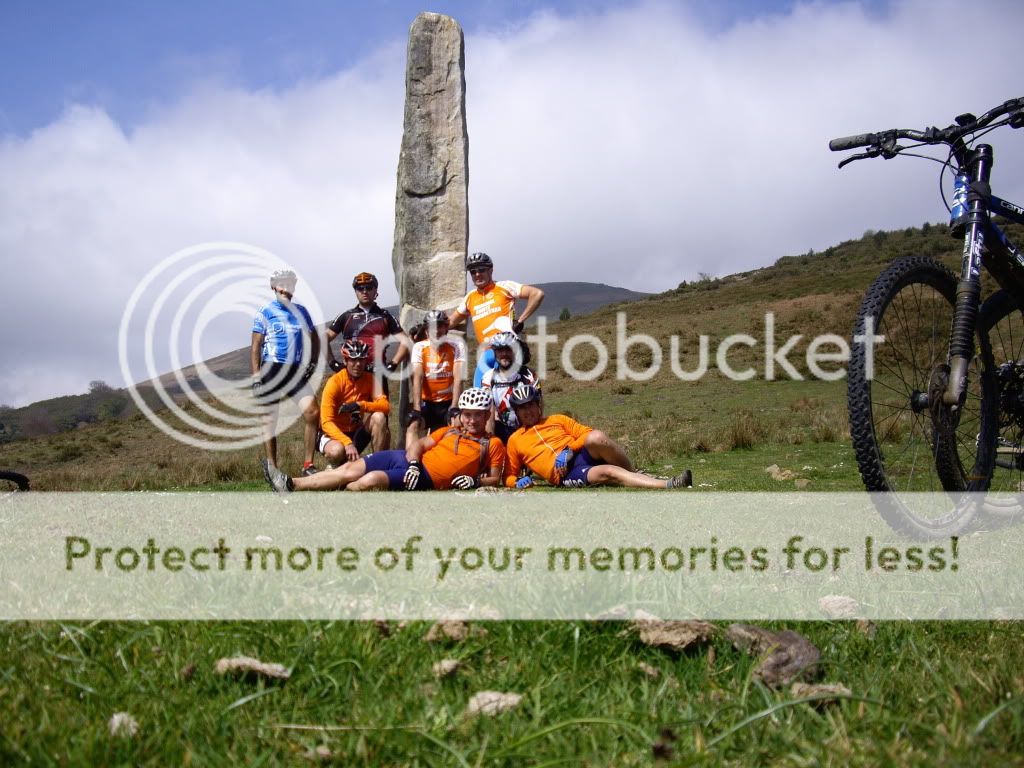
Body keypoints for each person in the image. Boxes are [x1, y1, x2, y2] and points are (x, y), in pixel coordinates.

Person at [262, 388, 506, 493]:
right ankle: (290, 483)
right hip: (407, 462)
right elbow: (419, 445)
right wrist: (412, 462)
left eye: (477, 415)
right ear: (461, 415)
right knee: (350, 468)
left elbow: (496, 477)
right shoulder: (449, 431)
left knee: (369, 480)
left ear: (486, 415)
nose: (472, 420)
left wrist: (475, 480)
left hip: (426, 478)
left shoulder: (492, 444)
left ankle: (335, 487)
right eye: (467, 415)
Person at [503, 383, 693, 490]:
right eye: (522, 408)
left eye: (530, 405)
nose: (527, 411)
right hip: (565, 474)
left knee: (597, 437)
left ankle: (633, 472)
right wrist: (516, 482)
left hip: (578, 455)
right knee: (608, 472)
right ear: (516, 412)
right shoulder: (515, 440)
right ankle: (669, 484)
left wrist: (570, 450)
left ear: (538, 405)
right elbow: (509, 476)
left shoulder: (557, 419)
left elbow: (586, 433)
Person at [251, 268, 320, 475]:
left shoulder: (302, 311)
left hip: (294, 370)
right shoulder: (265, 311)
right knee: (270, 419)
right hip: (271, 368)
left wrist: (313, 362)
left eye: (289, 285)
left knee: (312, 412)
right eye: (281, 285)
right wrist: (256, 377)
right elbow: (255, 346)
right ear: (274, 287)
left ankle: (308, 465)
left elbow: (314, 337)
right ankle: (272, 467)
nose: (285, 289)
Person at [446, 252, 545, 387]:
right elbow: (451, 322)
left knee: (515, 396)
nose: (477, 274)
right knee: (481, 396)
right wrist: (428, 325)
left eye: (481, 270)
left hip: (508, 350)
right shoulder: (470, 297)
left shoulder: (504, 286)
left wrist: (520, 320)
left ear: (491, 270)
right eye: (473, 272)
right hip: (486, 354)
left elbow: (537, 294)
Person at [325, 272, 411, 403]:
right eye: (360, 288)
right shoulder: (346, 316)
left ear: (375, 290)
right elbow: (323, 338)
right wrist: (332, 362)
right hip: (351, 373)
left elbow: (405, 341)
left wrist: (392, 364)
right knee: (350, 417)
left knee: (380, 415)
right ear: (355, 291)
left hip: (377, 373)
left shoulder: (385, 316)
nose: (364, 291)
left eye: (369, 287)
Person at [318, 339, 390, 465]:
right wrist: (347, 442)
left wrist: (361, 405)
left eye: (361, 360)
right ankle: (335, 465)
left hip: (354, 432)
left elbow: (386, 407)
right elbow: (326, 422)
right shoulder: (335, 383)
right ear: (345, 361)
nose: (358, 364)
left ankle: (379, 465)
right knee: (337, 451)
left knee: (379, 417)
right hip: (332, 435)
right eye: (353, 360)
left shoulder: (370, 380)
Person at [406, 309, 467, 448]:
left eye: (439, 326)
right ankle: (408, 464)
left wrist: (455, 406)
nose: (436, 330)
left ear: (446, 328)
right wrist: (416, 408)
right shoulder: (419, 347)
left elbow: (458, 378)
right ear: (426, 331)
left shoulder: (457, 345)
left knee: (457, 425)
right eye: (432, 327)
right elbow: (418, 377)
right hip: (427, 403)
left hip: (448, 402)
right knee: (413, 426)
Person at [480, 331, 541, 443]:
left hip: (529, 429)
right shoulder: (488, 378)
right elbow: (489, 417)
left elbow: (539, 409)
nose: (504, 353)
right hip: (503, 431)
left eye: (508, 349)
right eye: (499, 350)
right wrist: (490, 444)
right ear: (494, 352)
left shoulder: (529, 374)